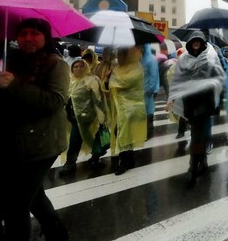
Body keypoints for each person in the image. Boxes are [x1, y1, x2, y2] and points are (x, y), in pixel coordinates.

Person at [0, 18, 69, 241]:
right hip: (15, 142)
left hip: (43, 144)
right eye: (23, 33)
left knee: (16, 205)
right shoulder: (11, 60)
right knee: (33, 196)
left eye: (34, 33)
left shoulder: (56, 64)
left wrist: (14, 85)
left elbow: (54, 101)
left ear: (45, 36)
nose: (27, 38)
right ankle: (56, 232)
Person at [168, 31, 225, 187]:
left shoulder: (209, 58)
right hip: (190, 103)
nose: (196, 43)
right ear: (190, 43)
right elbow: (177, 80)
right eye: (194, 41)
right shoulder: (184, 59)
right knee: (197, 134)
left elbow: (220, 76)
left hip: (204, 102)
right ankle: (203, 162)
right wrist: (172, 97)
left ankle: (192, 168)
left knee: (196, 135)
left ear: (202, 43)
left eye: (199, 41)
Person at [64, 58, 109, 172]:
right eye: (76, 67)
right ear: (72, 69)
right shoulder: (70, 80)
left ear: (86, 67)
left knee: (80, 139)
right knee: (82, 139)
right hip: (73, 117)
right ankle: (89, 159)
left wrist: (102, 118)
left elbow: (98, 100)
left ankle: (72, 162)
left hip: (87, 117)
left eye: (81, 66)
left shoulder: (91, 80)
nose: (78, 69)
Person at [109, 47, 147, 175]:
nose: (118, 58)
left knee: (123, 133)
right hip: (119, 107)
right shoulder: (119, 68)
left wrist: (111, 77)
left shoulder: (137, 68)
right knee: (121, 133)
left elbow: (123, 82)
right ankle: (128, 159)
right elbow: (110, 84)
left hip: (131, 107)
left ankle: (124, 162)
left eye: (120, 55)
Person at [140, 43, 160, 139]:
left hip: (149, 90)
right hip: (142, 90)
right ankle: (145, 132)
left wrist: (150, 89)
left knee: (148, 111)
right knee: (144, 111)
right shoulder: (141, 58)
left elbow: (153, 75)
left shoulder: (151, 59)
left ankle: (149, 132)